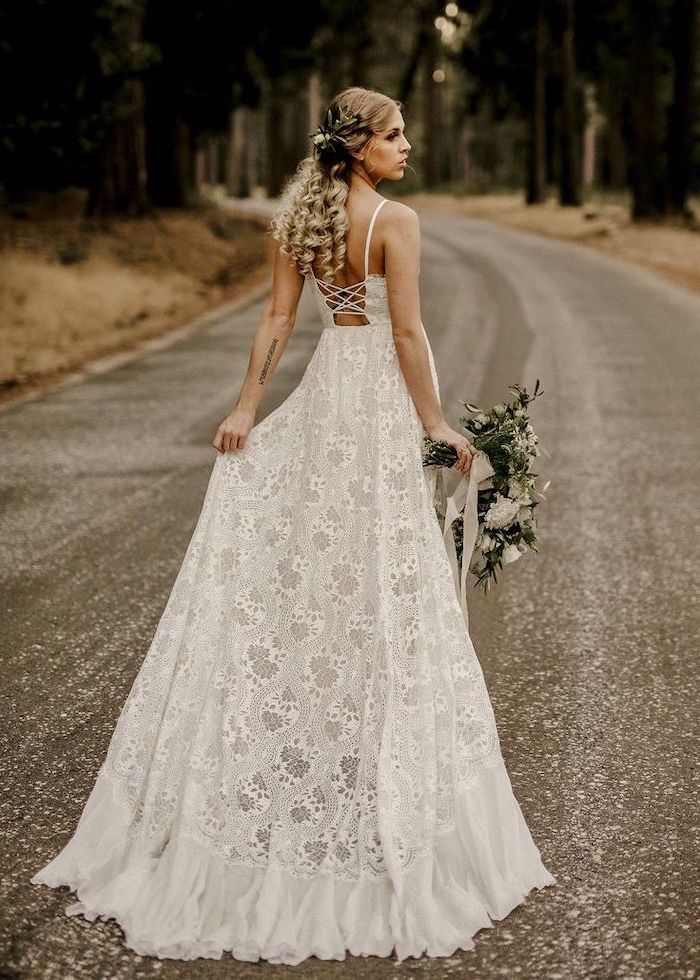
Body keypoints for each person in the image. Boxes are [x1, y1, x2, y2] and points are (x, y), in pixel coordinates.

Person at [31, 86, 555, 965]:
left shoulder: (303, 221)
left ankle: (330, 750)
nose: (407, 146)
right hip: (378, 415)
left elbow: (279, 322)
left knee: (315, 581)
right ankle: (369, 770)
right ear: (358, 148)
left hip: (322, 411)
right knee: (383, 588)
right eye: (395, 135)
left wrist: (246, 410)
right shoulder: (397, 220)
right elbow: (409, 335)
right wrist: (434, 424)